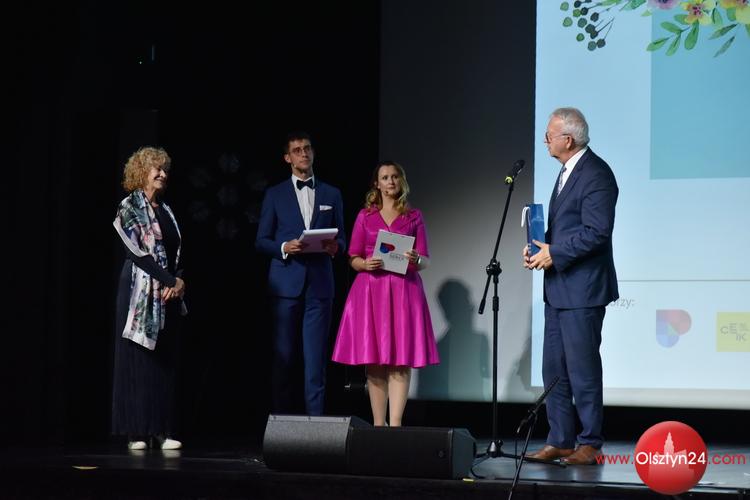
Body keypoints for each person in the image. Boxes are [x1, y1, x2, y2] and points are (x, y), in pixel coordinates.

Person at [523, 107, 619, 465]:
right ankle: (561, 439)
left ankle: (590, 442)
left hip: (583, 289)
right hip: (559, 289)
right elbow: (567, 229)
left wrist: (555, 252)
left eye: (550, 134)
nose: (545, 140)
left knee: (583, 370)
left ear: (568, 138)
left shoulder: (596, 174)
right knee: (554, 371)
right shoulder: (566, 172)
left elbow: (597, 232)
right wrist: (540, 248)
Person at [332, 161, 439, 426]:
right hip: (371, 290)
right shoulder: (365, 216)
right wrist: (364, 264)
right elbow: (353, 257)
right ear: (376, 184)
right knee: (375, 360)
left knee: (400, 360)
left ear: (401, 181)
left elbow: (425, 260)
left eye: (394, 176)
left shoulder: (413, 216)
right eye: (385, 177)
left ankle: (395, 426)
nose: (390, 181)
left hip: (404, 291)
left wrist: (416, 258)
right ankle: (378, 426)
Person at [255, 131, 346, 416]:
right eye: (297, 150)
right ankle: (281, 425)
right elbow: (261, 240)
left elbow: (343, 238)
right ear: (287, 158)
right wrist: (284, 246)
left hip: (319, 287)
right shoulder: (275, 194)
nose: (303, 153)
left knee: (315, 361)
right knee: (283, 359)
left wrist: (335, 247)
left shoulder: (332, 193)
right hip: (285, 285)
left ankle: (315, 427)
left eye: (307, 148)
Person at [111, 146, 186, 451]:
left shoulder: (166, 210)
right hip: (138, 292)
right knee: (138, 360)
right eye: (156, 168)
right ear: (141, 172)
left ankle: (161, 430)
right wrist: (170, 280)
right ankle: (136, 432)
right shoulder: (129, 206)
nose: (162, 174)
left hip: (167, 293)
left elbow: (177, 250)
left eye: (165, 169)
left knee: (164, 362)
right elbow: (136, 252)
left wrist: (178, 281)